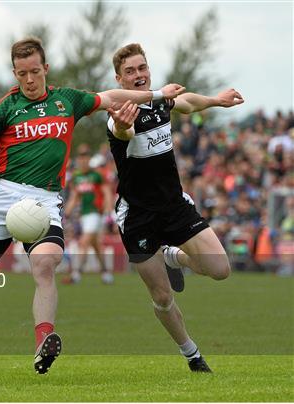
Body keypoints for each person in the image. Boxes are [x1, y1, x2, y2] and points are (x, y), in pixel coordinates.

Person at [0, 37, 185, 374]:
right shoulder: (4, 108)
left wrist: (158, 94)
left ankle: (44, 340)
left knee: (46, 264)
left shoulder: (67, 100)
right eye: (21, 73)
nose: (29, 80)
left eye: (34, 71)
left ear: (46, 68)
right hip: (3, 199)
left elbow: (111, 97)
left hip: (44, 198)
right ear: (15, 73)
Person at [106, 43, 244, 372]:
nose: (138, 75)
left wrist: (216, 101)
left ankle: (173, 256)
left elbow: (186, 102)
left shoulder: (161, 100)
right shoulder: (119, 113)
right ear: (119, 79)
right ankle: (192, 354)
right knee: (163, 298)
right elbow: (120, 131)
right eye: (130, 71)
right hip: (138, 218)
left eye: (142, 68)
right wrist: (124, 125)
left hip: (174, 207)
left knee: (220, 270)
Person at [63, 143, 114, 284]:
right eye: (81, 156)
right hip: (84, 214)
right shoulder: (76, 176)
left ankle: (75, 273)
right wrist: (66, 212)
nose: (83, 159)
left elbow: (107, 192)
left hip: (96, 213)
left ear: (89, 158)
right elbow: (75, 196)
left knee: (84, 241)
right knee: (96, 245)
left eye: (85, 156)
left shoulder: (97, 175)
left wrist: (109, 212)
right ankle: (106, 273)